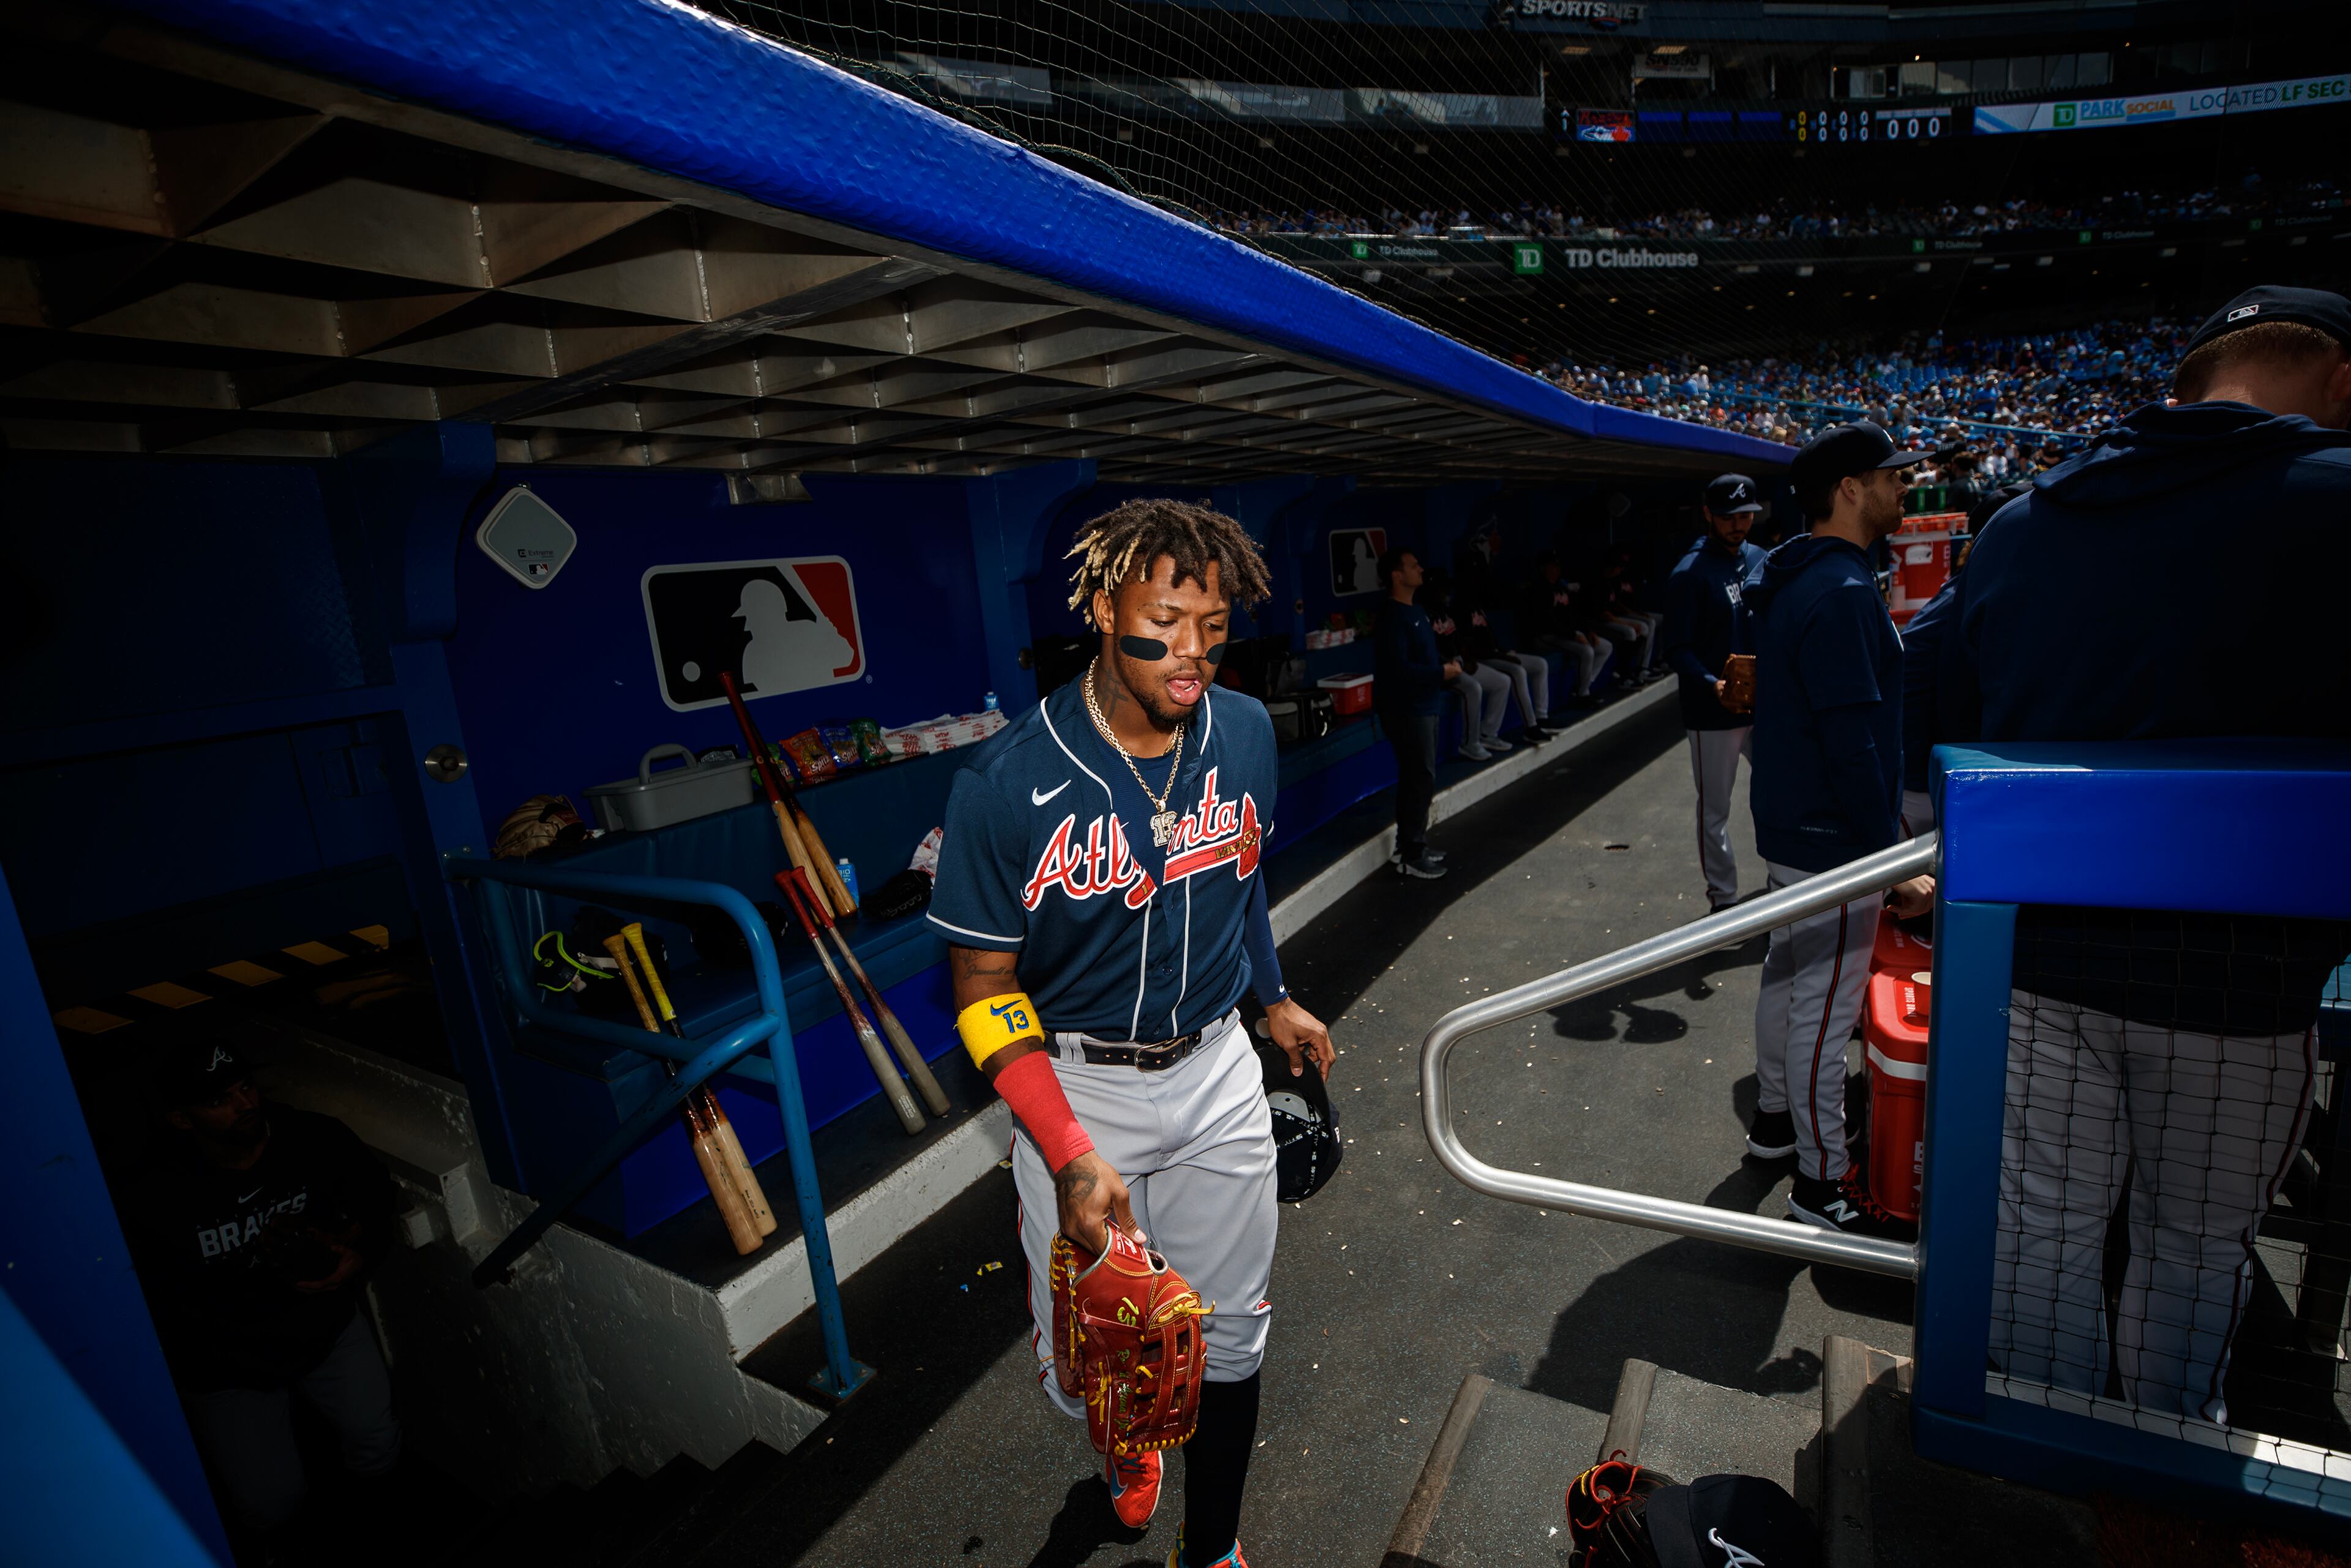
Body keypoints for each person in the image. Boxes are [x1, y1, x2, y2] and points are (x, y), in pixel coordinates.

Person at [1958, 286, 2351, 1424]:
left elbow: (1947, 698)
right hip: (2243, 979)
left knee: (2041, 1235)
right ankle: (2165, 1470)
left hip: (2036, 958)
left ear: (2183, 386)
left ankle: (2050, 1482)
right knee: (2195, 1247)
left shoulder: (2025, 520)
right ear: (2340, 382)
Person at [928, 498, 1338, 1568]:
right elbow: (981, 986)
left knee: (1232, 1331)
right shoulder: (1005, 780)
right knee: (1098, 1358)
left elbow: (1240, 876)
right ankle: (1124, 1448)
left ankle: (1213, 1548)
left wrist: (1273, 995)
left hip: (1213, 1071)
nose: (1194, 651)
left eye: (1214, 626)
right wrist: (1065, 1148)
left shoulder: (1243, 729)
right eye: (1168, 619)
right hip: (1082, 1091)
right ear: (1104, 608)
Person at [1745, 424, 1938, 1239]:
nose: (1904, 489)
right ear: (1851, 489)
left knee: (1786, 986)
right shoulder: (1846, 590)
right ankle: (1820, 1182)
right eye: (1890, 478)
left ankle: (1774, 1122)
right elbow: (1855, 747)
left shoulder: (1801, 572)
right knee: (1823, 1015)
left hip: (1795, 829)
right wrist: (1891, 861)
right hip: (1833, 842)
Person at [125, 1039, 403, 1540]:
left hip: (322, 1326)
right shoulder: (152, 1193)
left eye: (246, 1087)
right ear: (182, 1118)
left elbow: (377, 1199)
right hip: (225, 1365)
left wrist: (353, 1254)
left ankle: (380, 1531)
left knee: (377, 1441)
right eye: (219, 1100)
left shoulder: (312, 1138)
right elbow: (148, 1300)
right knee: (271, 1502)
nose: (245, 1105)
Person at [1661, 475, 1768, 912]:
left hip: (1762, 705)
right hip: (1714, 712)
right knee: (1716, 812)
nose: (1738, 524)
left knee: (1781, 792)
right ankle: (1724, 902)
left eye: (1745, 515)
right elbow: (1677, 650)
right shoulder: (1689, 574)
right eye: (1728, 517)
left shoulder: (1762, 559)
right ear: (1708, 515)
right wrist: (1713, 682)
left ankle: (1784, 884)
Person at [1373, 547, 1455, 878]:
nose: (1420, 569)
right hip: (1406, 710)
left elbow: (1427, 658)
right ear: (1396, 575)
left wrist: (1447, 667)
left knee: (1420, 777)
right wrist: (1442, 674)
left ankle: (1412, 843)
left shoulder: (1418, 611)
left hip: (1427, 705)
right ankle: (1411, 853)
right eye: (1413, 565)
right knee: (1419, 778)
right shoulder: (1392, 617)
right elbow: (1399, 671)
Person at [1425, 579, 1513, 762]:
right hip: (1441, 670)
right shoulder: (1424, 615)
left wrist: (1465, 658)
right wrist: (1448, 662)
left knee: (1502, 682)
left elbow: (1459, 642)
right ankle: (1469, 744)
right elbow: (1428, 651)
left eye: (1448, 591)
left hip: (1461, 664)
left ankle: (1488, 734)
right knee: (1473, 688)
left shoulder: (1446, 613)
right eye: (1443, 591)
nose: (1447, 595)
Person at [1520, 552, 1609, 704]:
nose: (1556, 569)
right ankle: (1582, 695)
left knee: (1605, 647)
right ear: (1543, 568)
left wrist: (1587, 632)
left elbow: (1574, 614)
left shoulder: (1561, 587)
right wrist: (1573, 635)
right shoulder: (1538, 589)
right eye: (1552, 566)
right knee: (1586, 652)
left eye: (1558, 566)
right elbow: (1547, 621)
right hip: (1545, 636)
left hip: (1565, 634)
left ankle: (1583, 685)